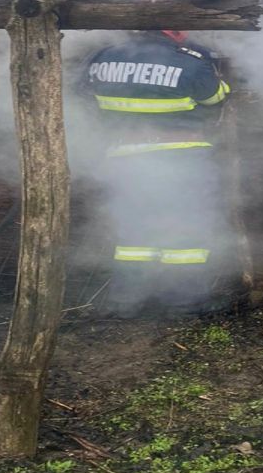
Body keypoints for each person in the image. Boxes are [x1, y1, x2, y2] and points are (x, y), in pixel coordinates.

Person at [81, 25, 232, 318]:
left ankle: (127, 300)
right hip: (181, 158)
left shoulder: (102, 58)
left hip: (125, 157)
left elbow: (83, 94)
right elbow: (215, 97)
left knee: (132, 231)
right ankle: (184, 302)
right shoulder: (189, 61)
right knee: (186, 228)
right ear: (174, 32)